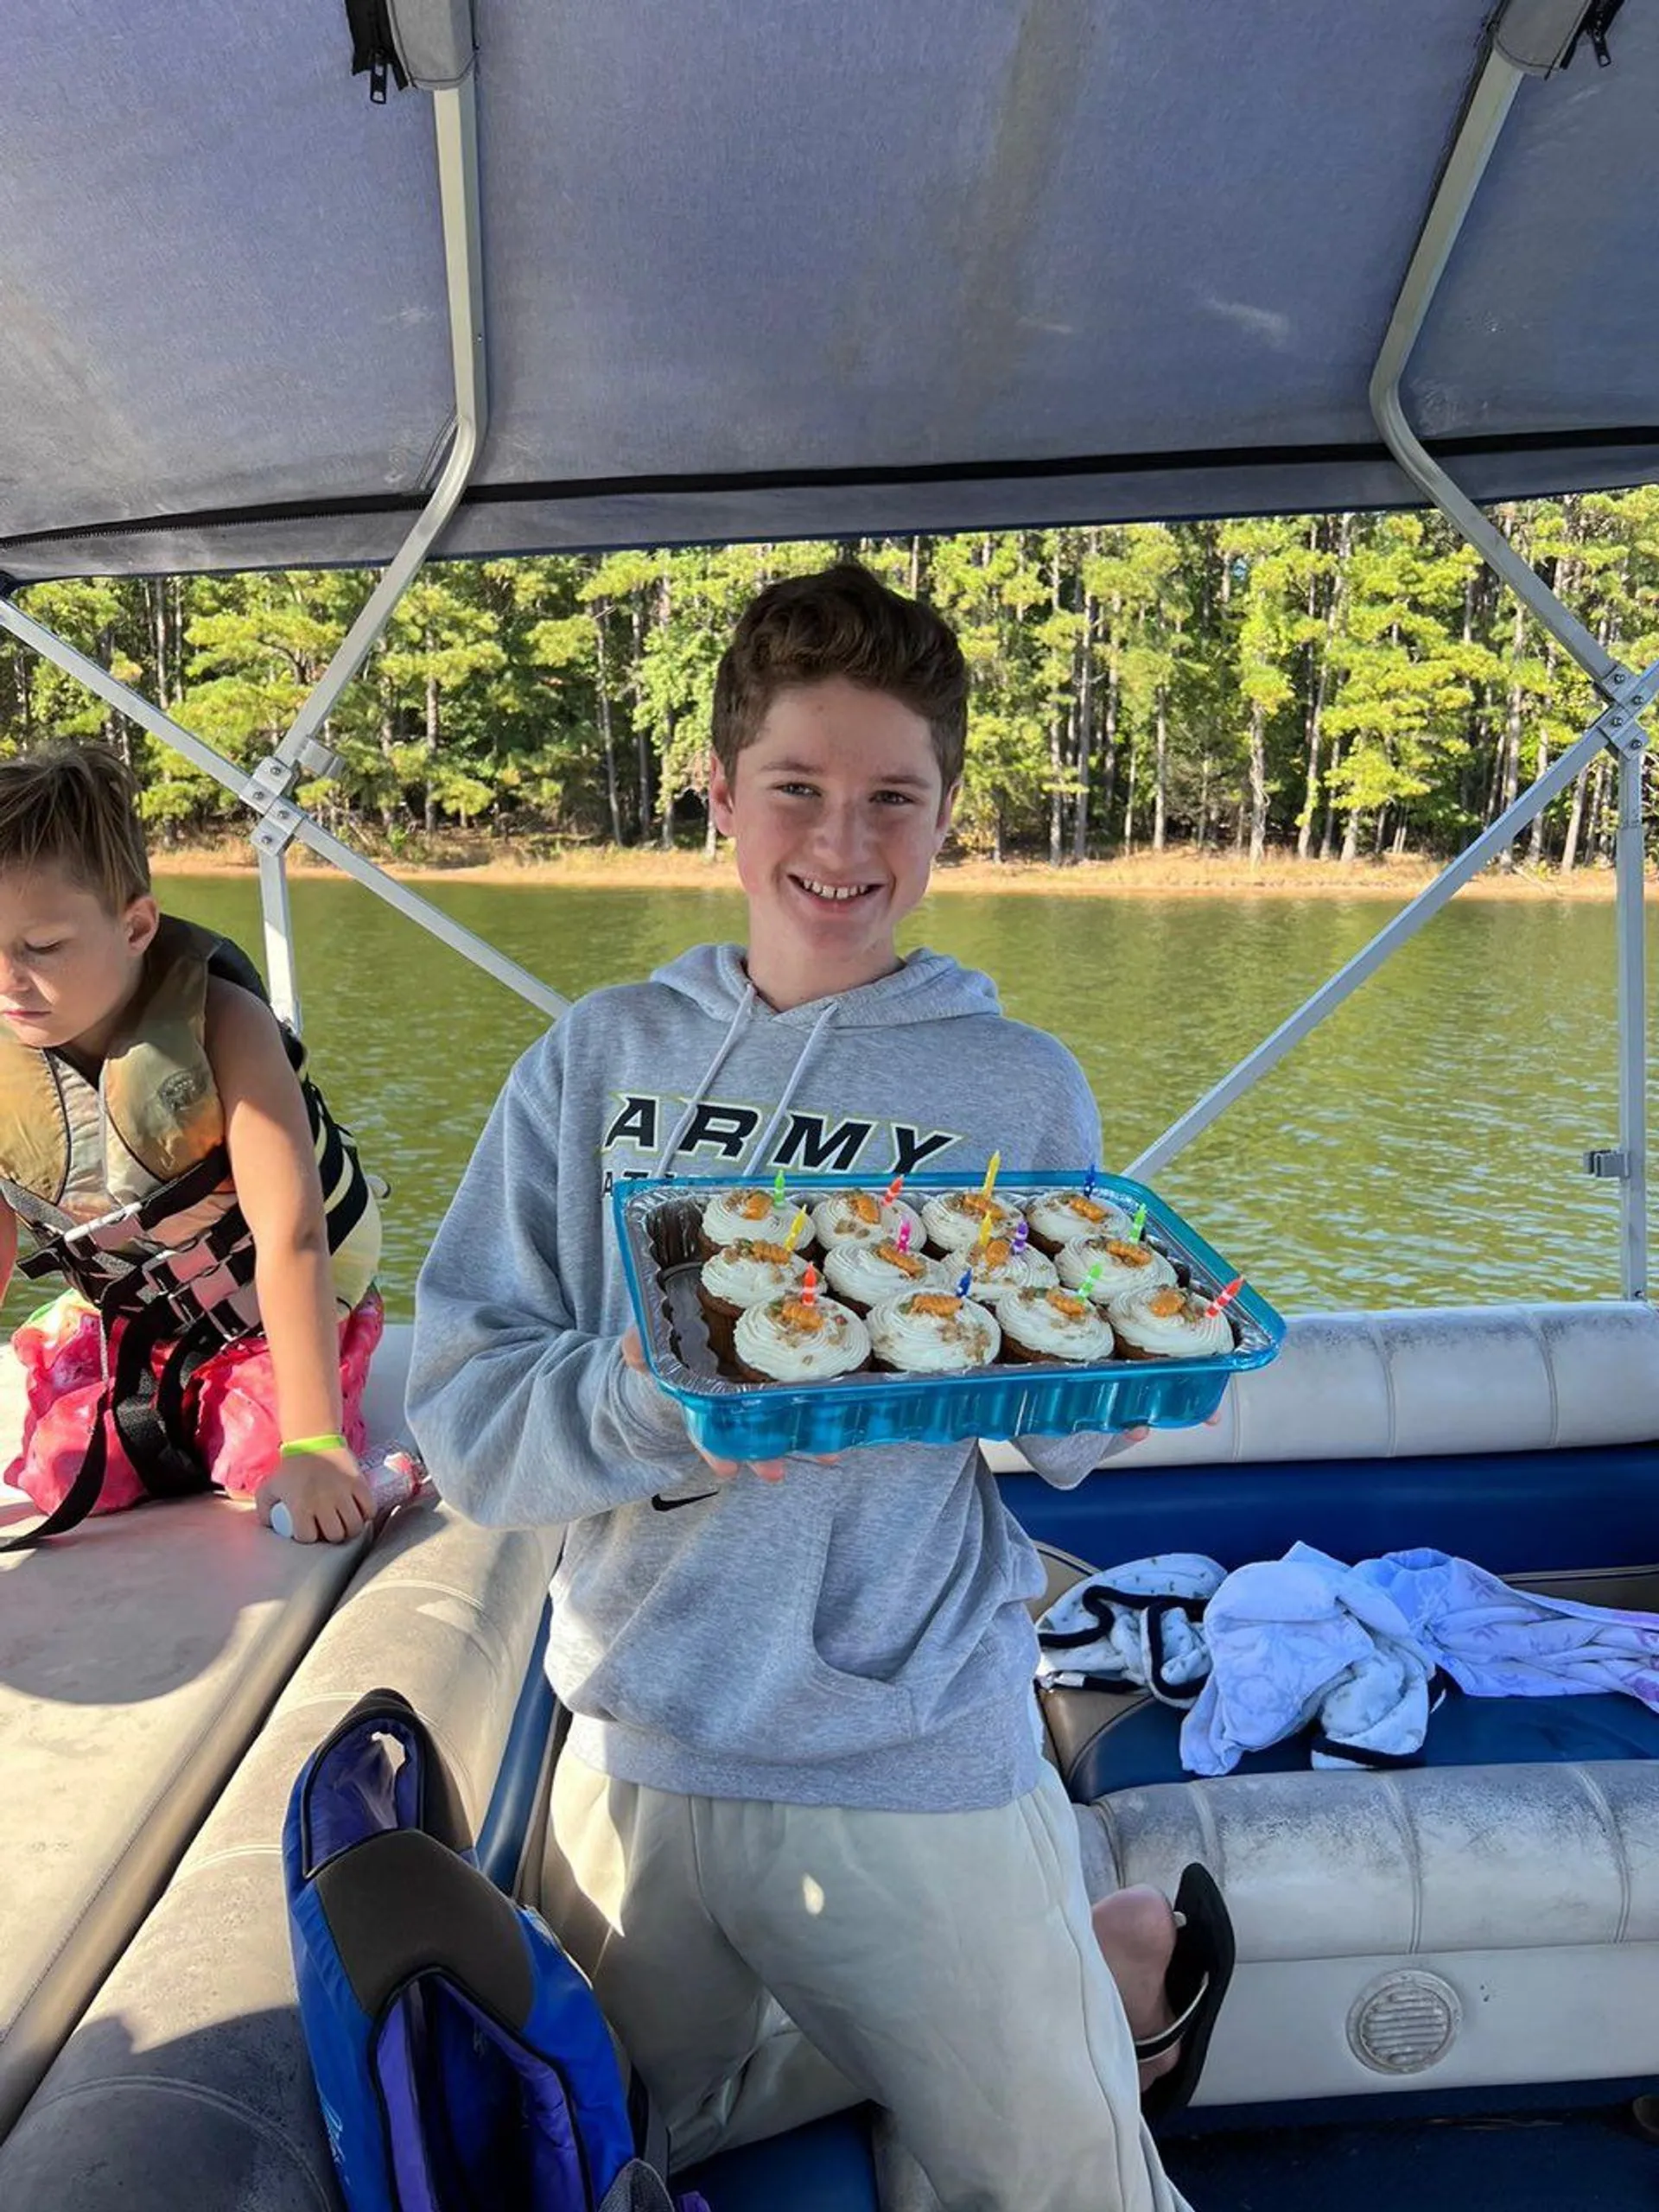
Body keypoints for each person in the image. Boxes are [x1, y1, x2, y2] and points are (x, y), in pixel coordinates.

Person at [407, 566, 1226, 2209]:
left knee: (1068, 2186)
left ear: (944, 816)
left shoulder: (1012, 1083)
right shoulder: (596, 1062)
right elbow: (469, 1417)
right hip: (635, 1734)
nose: (842, 847)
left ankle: (1072, 2001)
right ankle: (1104, 1975)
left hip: (908, 1734)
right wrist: (650, 1397)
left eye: (890, 800)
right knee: (612, 2151)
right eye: (798, 788)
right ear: (719, 795)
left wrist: (1105, 1386)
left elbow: (1055, 1408)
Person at [0, 746, 384, 1546]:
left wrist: (314, 1444)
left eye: (42, 947)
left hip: (276, 1291)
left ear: (136, 926)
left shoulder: (225, 1024)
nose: (8, 978)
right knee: (63, 1470)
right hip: (140, 1304)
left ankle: (325, 1407)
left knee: (258, 1462)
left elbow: (293, 1232)